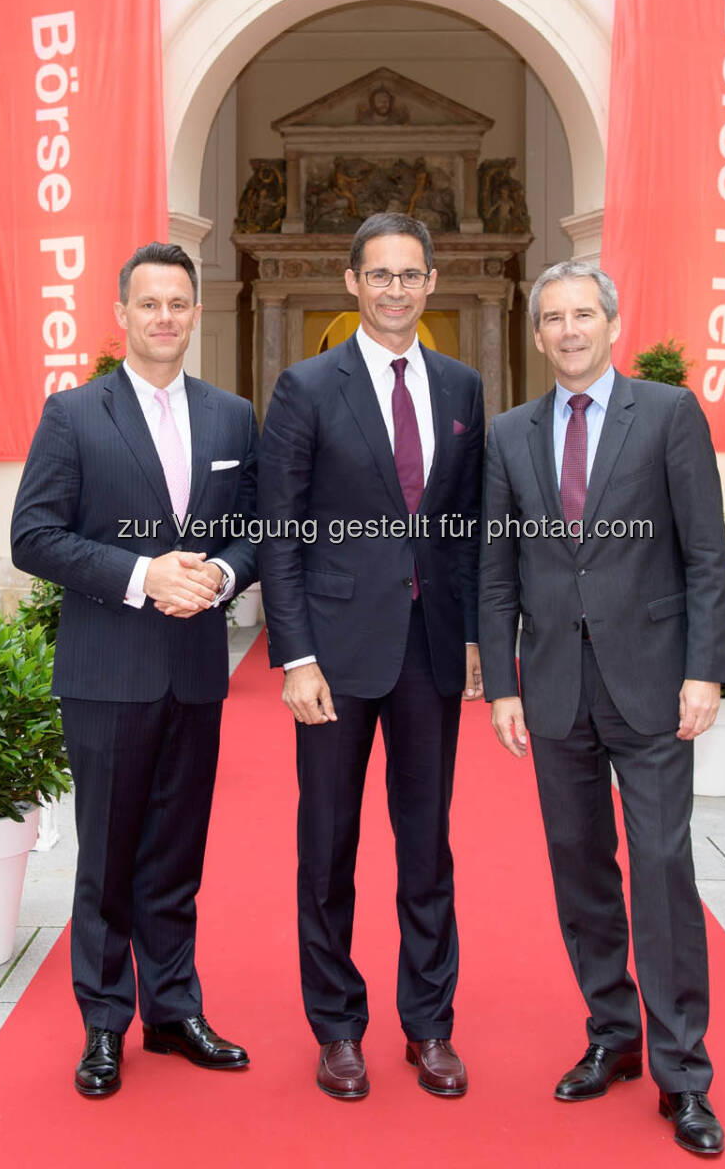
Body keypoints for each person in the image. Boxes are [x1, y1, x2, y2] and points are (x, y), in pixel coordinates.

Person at [478, 261, 725, 1157]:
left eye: (584, 314)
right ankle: (612, 1035)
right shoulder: (508, 436)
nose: (570, 330)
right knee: (580, 868)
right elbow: (497, 567)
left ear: (612, 323)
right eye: (554, 318)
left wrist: (706, 672)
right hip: (552, 686)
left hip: (656, 682)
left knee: (662, 871)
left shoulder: (667, 415)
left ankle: (684, 1074)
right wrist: (503, 682)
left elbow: (707, 554)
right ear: (538, 334)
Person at [12, 242, 258, 1100]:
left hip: (194, 672)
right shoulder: (74, 414)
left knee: (176, 855)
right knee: (108, 858)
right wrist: (142, 574)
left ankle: (172, 1009)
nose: (164, 317)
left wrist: (221, 576)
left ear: (197, 313)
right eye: (148, 303)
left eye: (178, 304)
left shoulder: (232, 417)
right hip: (107, 670)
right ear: (121, 314)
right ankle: (104, 1024)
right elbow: (34, 535)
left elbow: (256, 529)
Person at [258, 212, 484, 1101]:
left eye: (411, 275)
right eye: (379, 274)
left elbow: (462, 532)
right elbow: (282, 535)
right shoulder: (306, 388)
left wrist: (472, 639)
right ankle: (338, 1027)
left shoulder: (464, 389)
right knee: (329, 846)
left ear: (432, 284)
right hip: (336, 658)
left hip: (430, 654)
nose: (396, 288)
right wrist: (295, 656)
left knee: (427, 849)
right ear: (353, 283)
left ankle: (430, 1026)